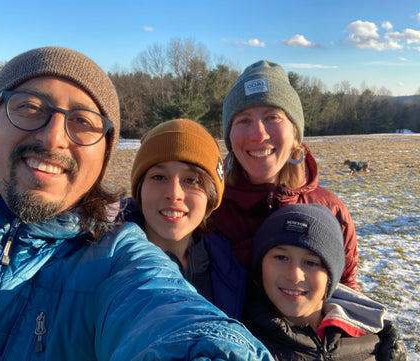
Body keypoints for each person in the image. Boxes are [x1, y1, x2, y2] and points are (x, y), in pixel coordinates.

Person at [0, 46, 274, 361]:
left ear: (101, 161)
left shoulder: (116, 255)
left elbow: (167, 311)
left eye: (83, 122)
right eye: (29, 107)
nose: (53, 137)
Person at [211, 60, 359, 291]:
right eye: (243, 120)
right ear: (230, 138)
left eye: (273, 117)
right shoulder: (210, 210)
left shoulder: (332, 212)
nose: (258, 134)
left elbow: (346, 289)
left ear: (295, 135)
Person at [243, 203, 407, 361]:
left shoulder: (375, 341)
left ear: (331, 276)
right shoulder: (241, 345)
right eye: (281, 257)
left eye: (311, 262)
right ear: (260, 265)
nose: (294, 276)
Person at [119, 118, 247, 319]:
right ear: (139, 188)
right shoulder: (105, 261)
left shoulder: (230, 270)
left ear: (211, 197)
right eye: (159, 177)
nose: (174, 193)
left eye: (192, 180)